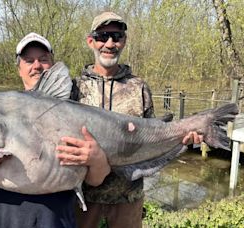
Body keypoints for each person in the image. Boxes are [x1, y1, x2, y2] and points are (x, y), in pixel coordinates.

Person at [58, 11, 202, 228]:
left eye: (116, 36)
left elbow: (154, 138)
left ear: (124, 41)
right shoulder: (73, 89)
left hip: (129, 200)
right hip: (83, 202)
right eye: (102, 36)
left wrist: (182, 140)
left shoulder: (139, 87)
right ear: (91, 41)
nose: (109, 43)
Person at [0, 32, 110, 228]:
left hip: (57, 222)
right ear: (19, 69)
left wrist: (98, 159)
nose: (36, 65)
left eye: (43, 59)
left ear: (53, 64)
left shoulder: (78, 115)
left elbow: (95, 180)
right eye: (29, 60)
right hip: (2, 222)